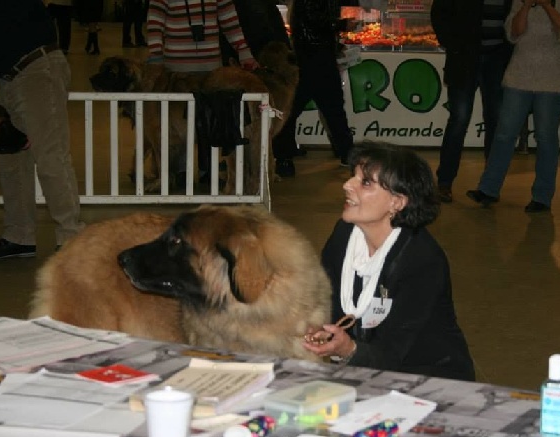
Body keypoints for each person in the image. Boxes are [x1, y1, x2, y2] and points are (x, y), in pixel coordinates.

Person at [302, 143, 476, 381]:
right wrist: (320, 328)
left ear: (397, 202)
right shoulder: (344, 234)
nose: (347, 185)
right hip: (367, 371)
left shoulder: (422, 260)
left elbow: (393, 352)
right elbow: (328, 298)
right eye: (352, 176)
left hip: (430, 378)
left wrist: (348, 350)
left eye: (365, 182)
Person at [466, 0, 560, 213]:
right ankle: (488, 189)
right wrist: (526, 6)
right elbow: (513, 33)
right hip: (520, 74)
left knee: (546, 136)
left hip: (556, 77)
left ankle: (542, 196)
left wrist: (548, 6)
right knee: (504, 133)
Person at [0, 0, 85, 259]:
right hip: (9, 75)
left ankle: (71, 235)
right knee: (10, 157)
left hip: (35, 67)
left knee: (50, 156)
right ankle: (20, 235)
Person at [146, 0, 258, 183]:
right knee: (177, 121)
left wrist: (244, 50)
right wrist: (156, 54)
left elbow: (230, 21)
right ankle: (180, 171)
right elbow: (155, 22)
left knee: (211, 120)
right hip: (176, 70)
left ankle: (209, 170)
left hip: (211, 70)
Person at [430, 0, 513, 203]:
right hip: (464, 57)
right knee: (459, 119)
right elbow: (439, 13)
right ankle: (445, 182)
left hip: (497, 58)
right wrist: (453, 43)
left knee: (495, 120)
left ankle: (489, 185)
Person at [271, 0, 355, 178]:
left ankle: (284, 158)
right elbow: (315, 21)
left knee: (294, 110)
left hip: (308, 56)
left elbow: (308, 23)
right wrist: (341, 25)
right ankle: (346, 152)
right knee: (332, 107)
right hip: (316, 56)